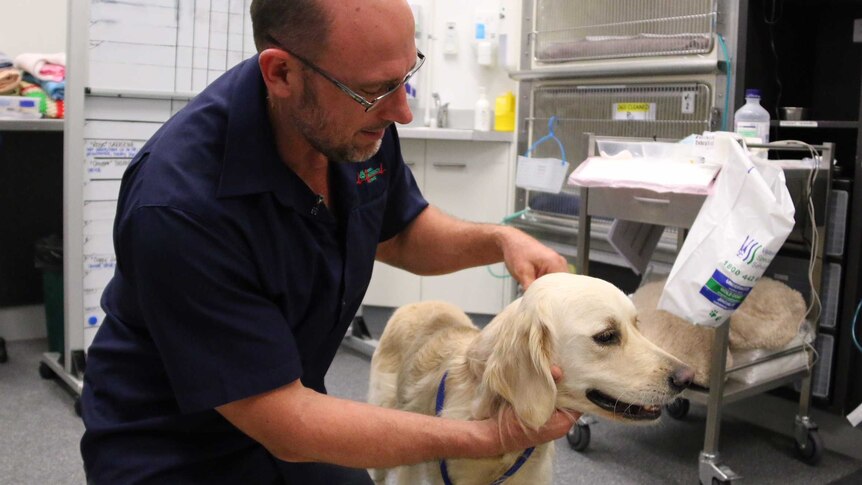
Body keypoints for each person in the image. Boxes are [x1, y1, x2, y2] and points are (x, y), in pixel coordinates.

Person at [80, 0, 579, 482]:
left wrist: (501, 240)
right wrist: (484, 437)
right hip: (175, 450)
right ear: (280, 74)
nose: (402, 111)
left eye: (406, 76)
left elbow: (402, 232)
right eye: (379, 89)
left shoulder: (353, 120)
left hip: (296, 407)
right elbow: (286, 424)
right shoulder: (179, 207)